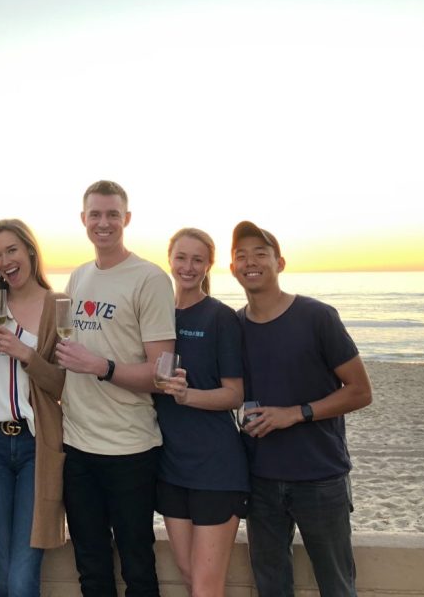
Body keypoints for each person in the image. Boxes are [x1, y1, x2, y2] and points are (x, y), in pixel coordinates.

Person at [229, 221, 373, 597]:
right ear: (232, 268)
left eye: (260, 253)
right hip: (260, 479)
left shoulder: (317, 317)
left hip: (320, 477)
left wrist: (295, 413)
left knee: (337, 586)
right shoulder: (234, 327)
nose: (250, 262)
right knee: (271, 587)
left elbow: (360, 391)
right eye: (241, 255)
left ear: (280, 263)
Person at [56, 180, 176, 597]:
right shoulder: (78, 277)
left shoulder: (149, 278)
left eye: (112, 214)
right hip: (77, 446)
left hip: (130, 448)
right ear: (83, 219)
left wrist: (101, 367)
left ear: (126, 219)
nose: (103, 223)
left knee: (137, 566)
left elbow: (161, 375)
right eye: (95, 214)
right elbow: (64, 348)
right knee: (90, 568)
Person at [0, 219, 67, 597]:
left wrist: (26, 354)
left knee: (22, 573)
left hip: (35, 445)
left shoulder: (58, 305)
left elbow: (64, 385)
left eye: (12, 250)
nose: (5, 261)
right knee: (1, 567)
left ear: (30, 250)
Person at [155, 228, 247, 597]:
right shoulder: (156, 314)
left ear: (209, 265)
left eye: (197, 259)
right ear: (169, 260)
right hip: (170, 465)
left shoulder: (220, 317)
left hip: (215, 467)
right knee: (188, 574)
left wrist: (186, 395)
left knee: (207, 586)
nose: (188, 267)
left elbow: (235, 395)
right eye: (181, 257)